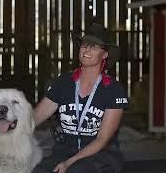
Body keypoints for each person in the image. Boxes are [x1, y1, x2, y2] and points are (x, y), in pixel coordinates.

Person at [33, 23, 129, 173]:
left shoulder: (114, 90)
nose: (87, 49)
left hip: (101, 156)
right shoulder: (63, 83)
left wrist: (69, 162)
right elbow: (34, 118)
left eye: (95, 46)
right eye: (85, 44)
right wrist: (6, 131)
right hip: (63, 153)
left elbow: (102, 140)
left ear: (105, 54)